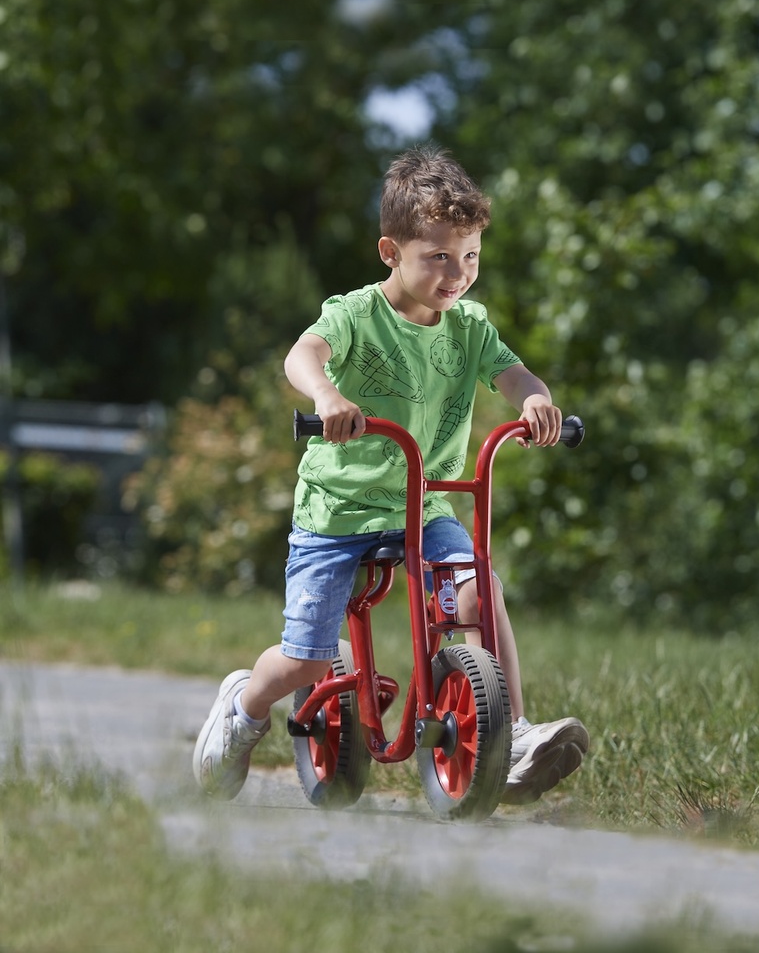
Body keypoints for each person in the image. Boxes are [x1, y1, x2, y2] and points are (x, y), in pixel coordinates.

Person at [193, 145, 589, 805]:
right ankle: (244, 709)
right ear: (390, 251)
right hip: (338, 512)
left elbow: (515, 375)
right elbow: (303, 354)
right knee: (307, 661)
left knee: (478, 593)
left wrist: (535, 402)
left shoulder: (469, 327)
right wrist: (326, 396)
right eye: (438, 257)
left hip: (424, 507)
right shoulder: (356, 315)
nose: (457, 274)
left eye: (470, 257)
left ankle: (512, 735)